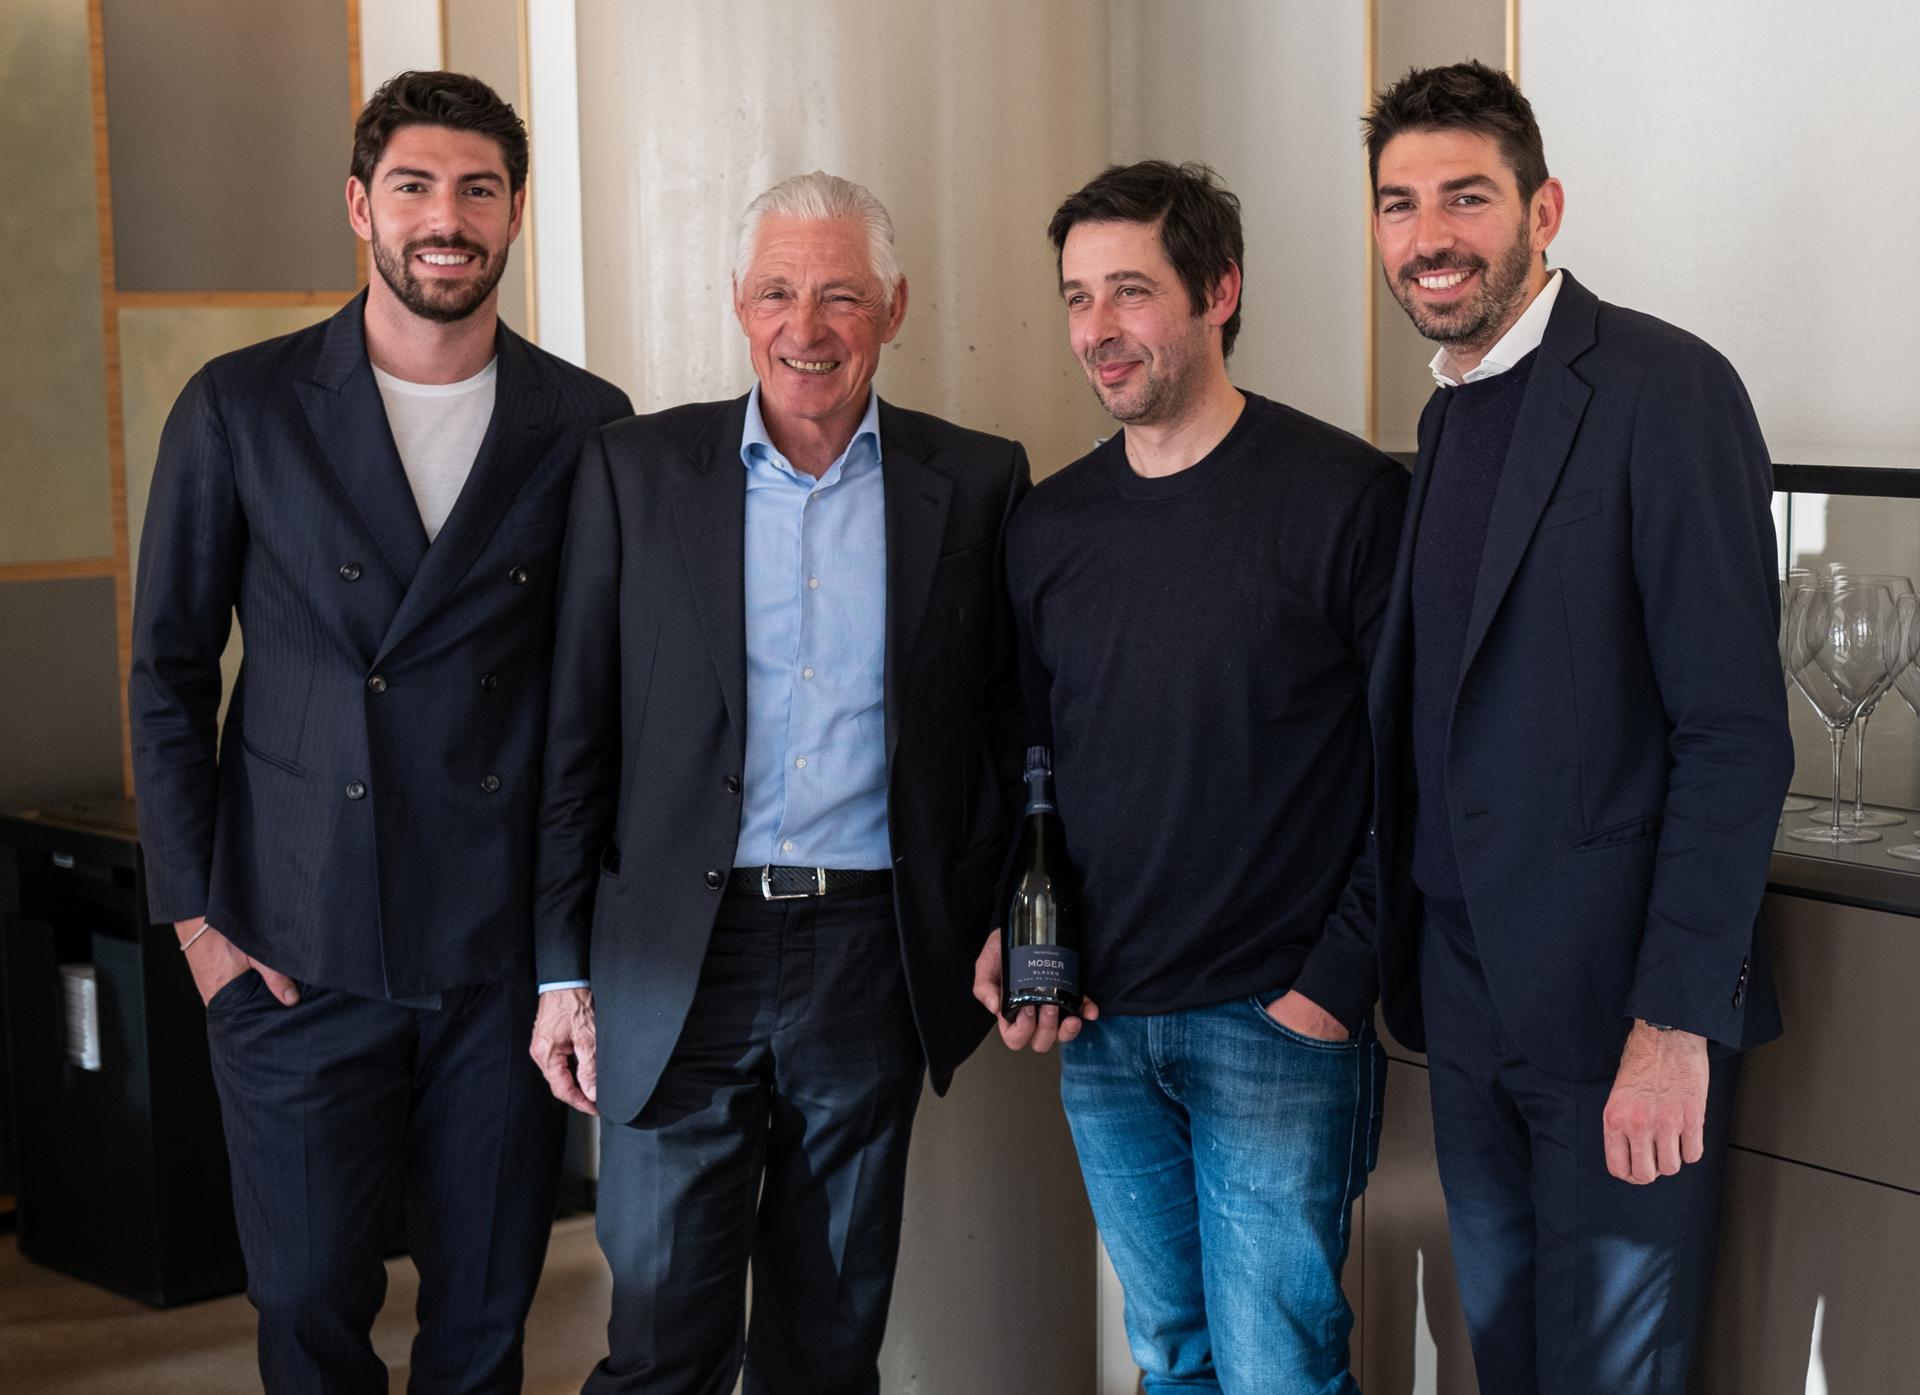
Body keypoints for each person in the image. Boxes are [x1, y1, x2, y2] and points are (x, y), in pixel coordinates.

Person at [128, 70, 632, 1393]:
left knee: (482, 1317)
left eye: (477, 188)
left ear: (516, 212)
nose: (445, 216)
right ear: (361, 205)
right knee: (304, 1305)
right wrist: (199, 923)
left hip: (497, 958)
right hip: (291, 943)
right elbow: (169, 670)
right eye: (413, 185)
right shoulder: (241, 405)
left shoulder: (586, 425)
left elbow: (607, 704)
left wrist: (576, 953)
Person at [530, 170, 1029, 1395]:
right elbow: (576, 734)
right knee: (659, 1343)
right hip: (675, 958)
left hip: (870, 951)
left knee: (828, 1340)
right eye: (777, 293)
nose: (806, 327)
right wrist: (559, 965)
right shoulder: (633, 473)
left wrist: (1008, 917)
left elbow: (1007, 734)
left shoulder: (975, 482)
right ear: (736, 305)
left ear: (896, 308)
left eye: (841, 295)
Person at [1362, 60, 1792, 1392]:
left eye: (1466, 198)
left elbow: (1734, 733)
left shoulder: (1665, 391)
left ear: (1544, 208)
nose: (1429, 236)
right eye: (1398, 202)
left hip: (1618, 1022)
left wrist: (1673, 1026)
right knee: (1515, 1368)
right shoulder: (1447, 411)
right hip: (1472, 1012)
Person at [975, 160, 1403, 1395]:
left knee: (1281, 1372)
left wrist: (1334, 985)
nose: (1097, 332)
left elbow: (1414, 772)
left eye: (1130, 292)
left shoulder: (1348, 499)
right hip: (1103, 1030)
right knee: (1171, 1360)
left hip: (1277, 1020)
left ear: (1218, 292)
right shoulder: (1049, 530)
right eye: (1075, 299)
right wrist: (1015, 928)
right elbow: (1036, 772)